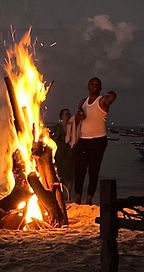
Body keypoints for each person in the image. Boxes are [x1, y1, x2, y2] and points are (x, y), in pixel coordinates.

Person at [74, 77, 117, 205]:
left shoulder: (102, 100)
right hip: (83, 140)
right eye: (92, 84)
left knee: (94, 171)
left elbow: (112, 98)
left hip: (99, 140)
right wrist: (79, 116)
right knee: (79, 170)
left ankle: (89, 200)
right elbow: (77, 119)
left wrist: (112, 94)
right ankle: (77, 198)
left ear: (100, 88)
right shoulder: (82, 102)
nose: (94, 86)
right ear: (88, 87)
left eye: (97, 84)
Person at [50, 108, 74, 201]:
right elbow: (51, 139)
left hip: (70, 154)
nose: (67, 115)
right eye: (65, 114)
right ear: (61, 116)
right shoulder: (57, 127)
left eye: (68, 114)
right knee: (60, 175)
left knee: (70, 175)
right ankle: (60, 195)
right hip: (60, 154)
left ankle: (67, 196)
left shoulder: (73, 127)